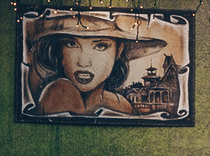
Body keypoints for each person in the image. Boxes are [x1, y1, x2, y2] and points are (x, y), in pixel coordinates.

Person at [23, 12, 173, 117]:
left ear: (118, 51)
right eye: (71, 44)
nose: (83, 62)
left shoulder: (119, 103)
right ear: (59, 51)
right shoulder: (59, 92)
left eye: (100, 46)